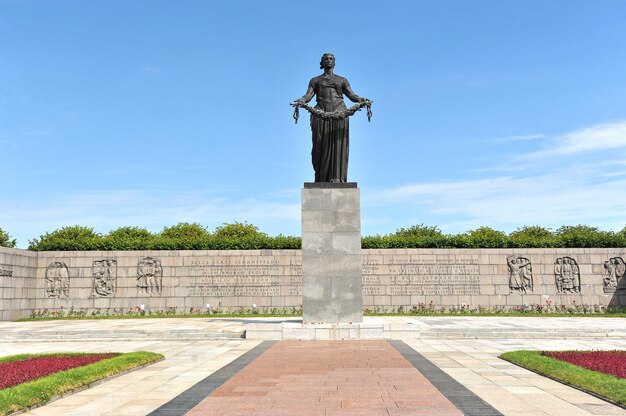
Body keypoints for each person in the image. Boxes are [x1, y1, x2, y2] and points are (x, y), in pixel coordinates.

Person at [294, 53, 369, 182]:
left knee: (338, 144)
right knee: (319, 146)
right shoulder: (315, 80)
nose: (328, 61)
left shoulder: (342, 80)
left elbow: (351, 95)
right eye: (326, 59)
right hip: (321, 113)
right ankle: (321, 178)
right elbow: (308, 95)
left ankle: (337, 177)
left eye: (331, 59)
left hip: (339, 112)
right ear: (321, 63)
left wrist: (361, 99)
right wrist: (302, 100)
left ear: (334, 62)